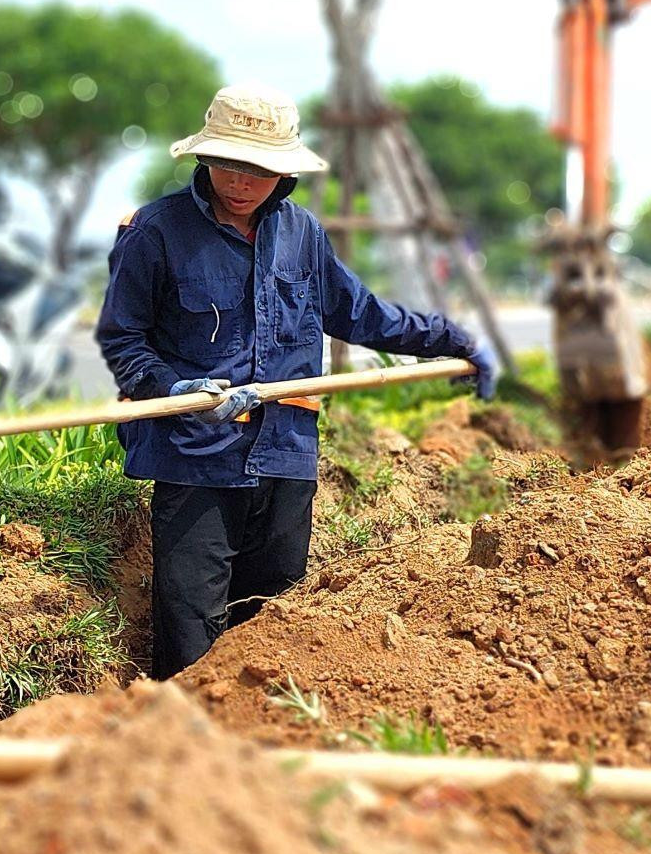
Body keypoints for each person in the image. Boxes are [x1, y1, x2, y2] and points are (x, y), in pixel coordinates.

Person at [95, 83, 495, 680]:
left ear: (282, 173)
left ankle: (262, 748)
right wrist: (173, 391)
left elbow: (359, 313)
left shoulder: (301, 234)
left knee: (271, 623)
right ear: (205, 158)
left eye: (256, 168)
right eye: (228, 163)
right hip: (195, 459)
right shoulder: (156, 232)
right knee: (190, 633)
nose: (240, 181)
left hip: (285, 456)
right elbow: (124, 338)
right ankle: (186, 750)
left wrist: (450, 338)